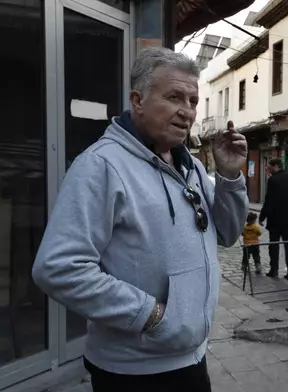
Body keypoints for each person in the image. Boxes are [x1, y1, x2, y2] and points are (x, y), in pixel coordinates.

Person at [31, 47, 249, 392]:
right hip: (135, 372)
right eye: (174, 97)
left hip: (191, 356)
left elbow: (227, 233)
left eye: (193, 101)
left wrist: (230, 177)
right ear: (138, 101)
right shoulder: (101, 166)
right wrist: (152, 316)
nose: (187, 112)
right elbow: (58, 267)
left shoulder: (188, 165)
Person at [259, 158, 288, 279]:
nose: (268, 170)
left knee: (274, 245)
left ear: (276, 166)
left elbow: (269, 200)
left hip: (276, 219)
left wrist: (262, 216)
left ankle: (274, 269)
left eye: (270, 167)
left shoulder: (273, 180)